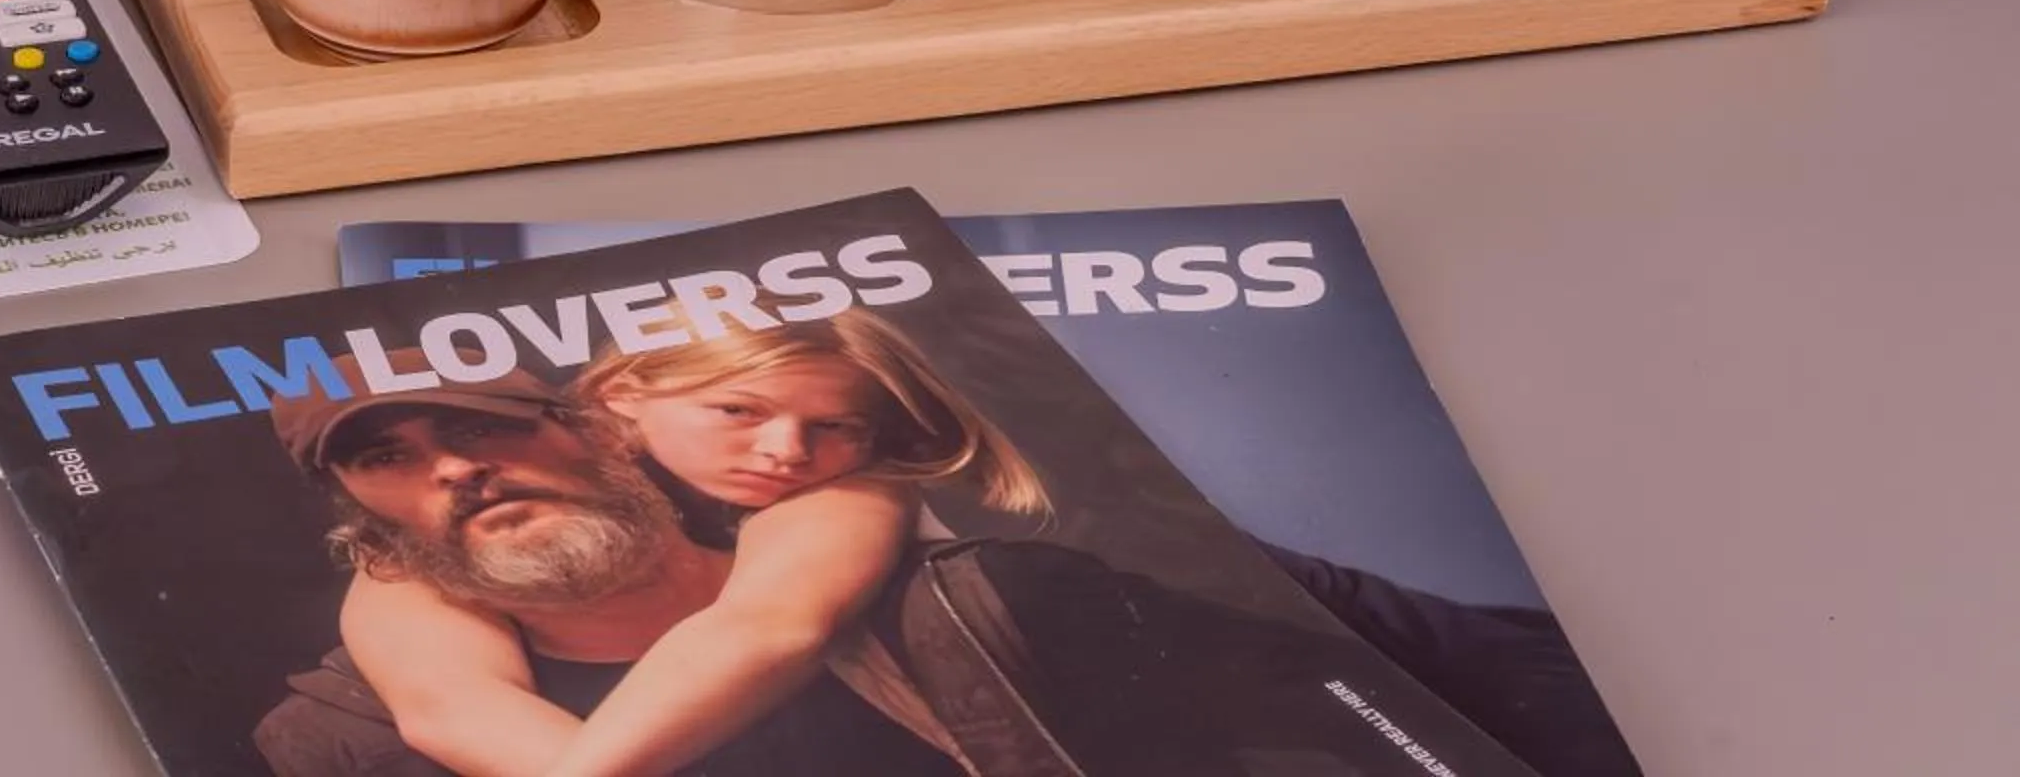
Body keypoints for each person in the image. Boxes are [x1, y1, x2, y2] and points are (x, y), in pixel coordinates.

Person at [251, 351, 1636, 777]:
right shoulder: (362, 719)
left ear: (599, 429)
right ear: (369, 527)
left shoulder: (919, 571)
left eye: (482, 432)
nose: (453, 471)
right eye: (394, 462)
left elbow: (1374, 692)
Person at [337, 315, 1044, 777]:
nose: (786, 452)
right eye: (737, 411)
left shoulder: (845, 494)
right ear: (618, 396)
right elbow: (446, 706)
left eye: (838, 426)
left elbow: (766, 627)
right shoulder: (431, 555)